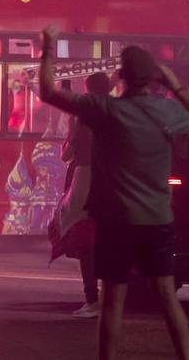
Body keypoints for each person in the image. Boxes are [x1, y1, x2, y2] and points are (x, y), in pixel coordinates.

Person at [37, 27, 189, 360]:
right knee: (167, 297)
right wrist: (176, 85)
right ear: (154, 76)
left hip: (117, 220)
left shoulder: (106, 110)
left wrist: (49, 48)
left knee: (112, 298)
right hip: (158, 218)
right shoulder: (168, 112)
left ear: (120, 77)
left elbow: (47, 92)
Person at [51, 71, 113, 319]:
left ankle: (92, 299)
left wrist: (69, 131)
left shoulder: (83, 115)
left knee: (85, 239)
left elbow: (67, 154)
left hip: (86, 178)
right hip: (115, 181)